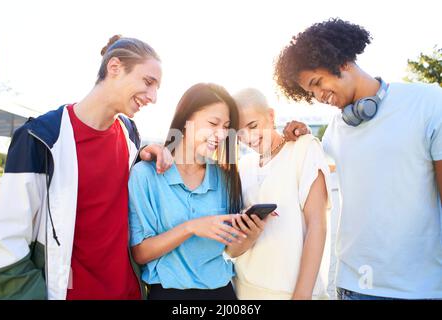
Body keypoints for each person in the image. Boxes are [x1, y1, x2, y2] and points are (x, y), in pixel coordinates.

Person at [0, 35, 173, 300]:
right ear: (114, 67)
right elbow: (4, 251)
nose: (154, 97)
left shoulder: (131, 135)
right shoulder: (39, 138)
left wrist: (142, 159)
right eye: (148, 82)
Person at [276, 19, 442, 300]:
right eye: (310, 92)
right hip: (353, 287)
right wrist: (300, 137)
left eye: (317, 83)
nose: (318, 96)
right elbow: (314, 171)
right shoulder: (336, 128)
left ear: (341, 62)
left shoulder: (428, 103)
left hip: (420, 290)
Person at [129, 83, 249, 300]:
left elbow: (232, 250)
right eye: (213, 123)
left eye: (226, 127)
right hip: (168, 294)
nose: (221, 134)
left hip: (221, 293)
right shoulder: (145, 175)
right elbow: (140, 253)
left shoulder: (225, 177)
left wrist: (252, 232)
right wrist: (191, 227)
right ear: (186, 119)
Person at [222, 88, 331, 300]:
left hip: (293, 293)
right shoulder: (243, 167)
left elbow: (318, 225)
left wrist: (302, 295)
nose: (248, 138)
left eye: (253, 126)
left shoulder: (303, 148)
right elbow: (232, 250)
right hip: (245, 291)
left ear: (270, 116)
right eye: (239, 132)